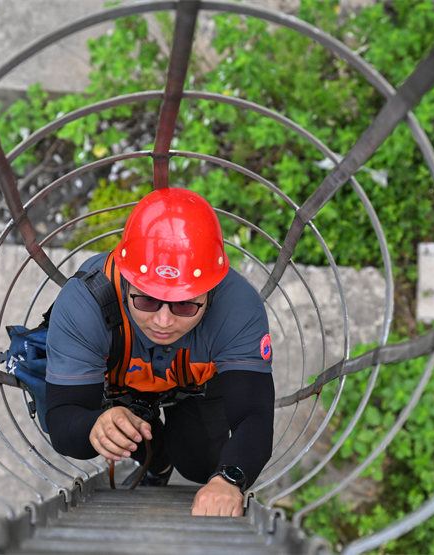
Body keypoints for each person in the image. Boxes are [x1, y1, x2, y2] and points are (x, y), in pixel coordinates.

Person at [43, 187, 274, 517]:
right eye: (147, 300)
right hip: (119, 383)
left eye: (185, 305)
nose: (163, 322)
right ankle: (156, 462)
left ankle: (168, 453)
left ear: (211, 292)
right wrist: (94, 424)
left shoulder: (237, 307)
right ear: (126, 280)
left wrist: (228, 479)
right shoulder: (86, 302)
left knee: (201, 465)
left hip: (195, 384)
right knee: (83, 441)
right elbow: (63, 415)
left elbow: (254, 413)